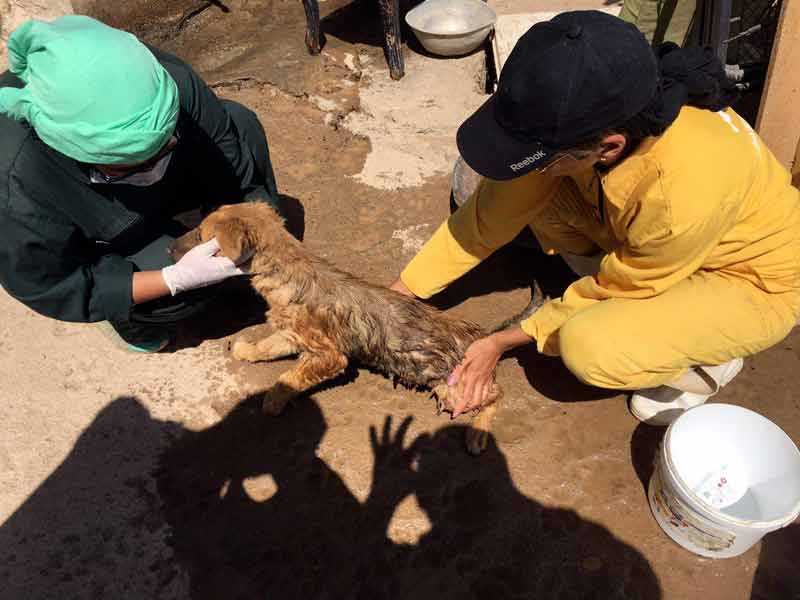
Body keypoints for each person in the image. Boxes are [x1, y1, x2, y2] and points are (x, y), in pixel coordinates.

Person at [390, 10, 800, 426]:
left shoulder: (682, 186)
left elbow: (622, 288)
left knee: (588, 346)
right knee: (526, 188)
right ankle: (623, 290)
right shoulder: (609, 100)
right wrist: (395, 297)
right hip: (663, 245)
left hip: (747, 281)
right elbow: (489, 217)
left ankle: (707, 361)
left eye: (545, 157)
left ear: (609, 147)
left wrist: (498, 342)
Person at [0, 16, 283, 352]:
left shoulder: (151, 75)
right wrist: (174, 279)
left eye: (164, 147)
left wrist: (242, 227)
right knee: (177, 294)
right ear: (72, 149)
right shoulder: (15, 181)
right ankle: (135, 324)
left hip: (159, 190)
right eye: (129, 165)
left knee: (241, 124)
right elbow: (51, 285)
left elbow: (225, 142)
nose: (152, 168)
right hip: (102, 228)